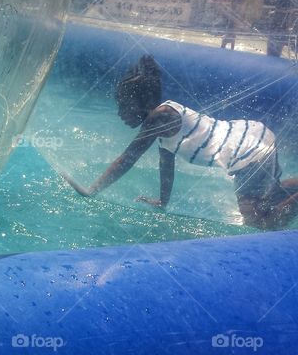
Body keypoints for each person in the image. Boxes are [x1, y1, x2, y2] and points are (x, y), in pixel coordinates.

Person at [62, 55, 298, 230]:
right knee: (271, 195)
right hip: (253, 136)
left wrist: (91, 190)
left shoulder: (161, 116)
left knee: (260, 223)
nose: (120, 113)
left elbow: (128, 158)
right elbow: (167, 168)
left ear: (142, 102)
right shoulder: (164, 129)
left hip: (245, 151)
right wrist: (162, 202)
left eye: (124, 105)